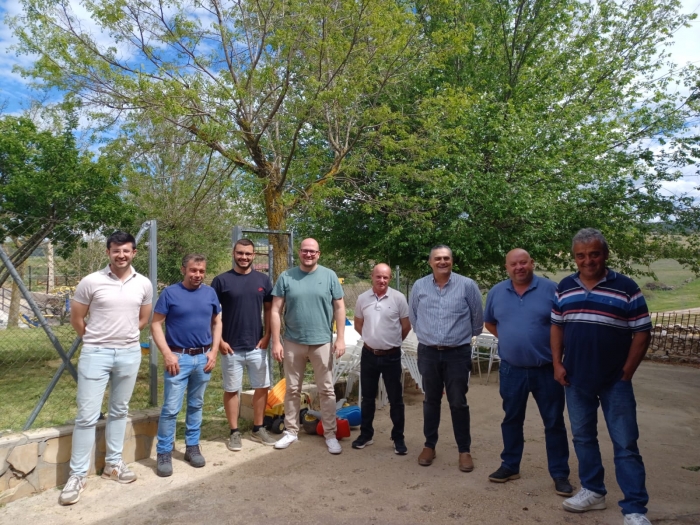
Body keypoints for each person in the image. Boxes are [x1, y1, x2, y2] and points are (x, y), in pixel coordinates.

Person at [551, 228, 653, 525]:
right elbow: (557, 326)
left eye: (594, 254)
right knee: (583, 438)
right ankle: (594, 491)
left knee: (625, 443)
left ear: (605, 254)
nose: (588, 261)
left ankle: (634, 508)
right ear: (574, 257)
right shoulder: (565, 287)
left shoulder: (626, 287)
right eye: (581, 255)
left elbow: (642, 332)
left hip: (614, 381)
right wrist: (557, 363)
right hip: (575, 379)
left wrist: (627, 371)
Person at [59, 231, 153, 506]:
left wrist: (125, 337)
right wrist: (94, 340)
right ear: (108, 252)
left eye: (126, 250)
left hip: (129, 354)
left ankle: (113, 464)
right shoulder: (91, 281)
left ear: (134, 253)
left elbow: (143, 318)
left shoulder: (144, 283)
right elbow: (77, 318)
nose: (121, 255)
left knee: (119, 410)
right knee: (86, 416)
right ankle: (77, 475)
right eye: (116, 250)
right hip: (95, 354)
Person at [483, 248, 572, 496]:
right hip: (511, 370)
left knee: (553, 422)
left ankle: (560, 473)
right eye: (513, 264)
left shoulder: (551, 289)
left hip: (547, 370)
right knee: (511, 419)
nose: (519, 267)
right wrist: (511, 340)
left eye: (523, 262)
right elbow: (490, 322)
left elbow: (564, 325)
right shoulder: (497, 292)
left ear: (532, 263)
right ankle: (510, 466)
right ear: (506, 267)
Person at [409, 244, 483, 472]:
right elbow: (414, 317)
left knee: (458, 402)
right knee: (431, 400)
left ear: (452, 261)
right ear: (430, 262)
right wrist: (430, 336)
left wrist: (458, 338)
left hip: (457, 353)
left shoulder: (467, 285)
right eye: (438, 258)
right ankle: (429, 446)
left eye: (446, 258)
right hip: (428, 352)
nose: (442, 262)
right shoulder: (419, 286)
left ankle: (464, 451)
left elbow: (477, 320)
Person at [270, 238, 346, 454]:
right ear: (299, 253)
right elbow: (275, 310)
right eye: (305, 251)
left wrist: (340, 338)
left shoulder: (329, 276)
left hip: (322, 342)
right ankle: (291, 431)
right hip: (293, 341)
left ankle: (330, 434)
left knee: (326, 390)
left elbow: (340, 308)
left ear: (318, 254)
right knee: (292, 389)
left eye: (312, 251)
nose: (308, 254)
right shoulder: (286, 277)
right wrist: (276, 341)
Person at [151, 254, 222, 477]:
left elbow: (217, 322)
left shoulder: (210, 293)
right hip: (178, 359)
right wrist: (167, 354)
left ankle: (192, 447)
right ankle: (164, 452)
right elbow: (155, 324)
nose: (197, 275)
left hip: (203, 359)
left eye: (201, 271)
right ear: (183, 270)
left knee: (196, 405)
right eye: (193, 270)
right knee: (171, 409)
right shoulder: (170, 293)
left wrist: (214, 351)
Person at [211, 239, 276, 451]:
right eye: (240, 253)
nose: (244, 257)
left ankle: (258, 428)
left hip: (257, 345)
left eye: (248, 254)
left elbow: (269, 310)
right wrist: (219, 341)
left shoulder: (263, 280)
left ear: (254, 255)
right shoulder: (221, 281)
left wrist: (268, 336)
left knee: (262, 387)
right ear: (234, 253)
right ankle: (234, 432)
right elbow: (213, 314)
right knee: (231, 389)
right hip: (230, 346)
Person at [352, 263, 411, 454]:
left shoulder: (398, 298)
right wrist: (371, 339)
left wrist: (392, 342)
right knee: (367, 398)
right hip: (369, 355)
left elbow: (406, 326)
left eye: (385, 277)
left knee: (396, 399)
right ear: (372, 276)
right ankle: (366, 435)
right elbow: (358, 324)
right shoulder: (362, 298)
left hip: (391, 356)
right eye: (378, 276)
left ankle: (398, 438)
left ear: (390, 278)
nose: (382, 280)